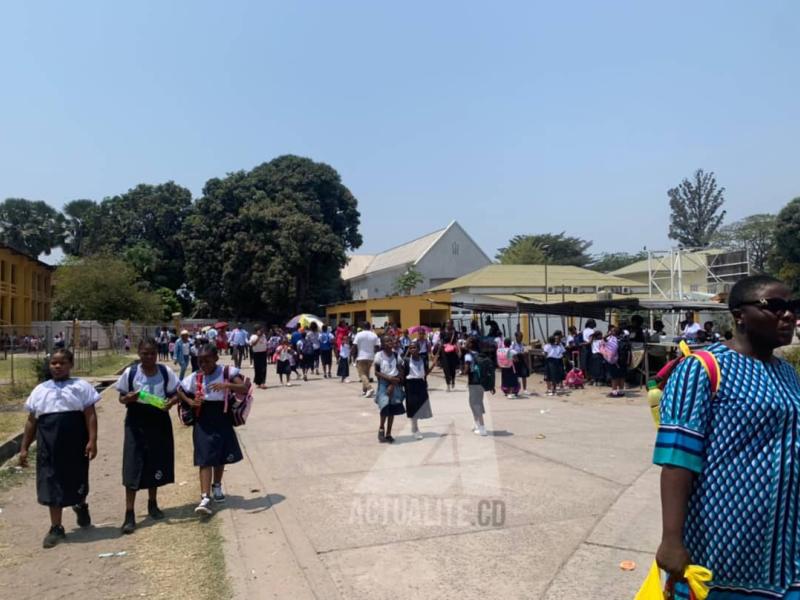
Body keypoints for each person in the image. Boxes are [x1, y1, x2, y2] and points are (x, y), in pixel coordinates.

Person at [655, 275, 800, 598]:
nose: (788, 315)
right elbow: (677, 459)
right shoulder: (702, 368)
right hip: (725, 545)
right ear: (739, 316)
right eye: (775, 307)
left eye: (792, 307)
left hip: (785, 545)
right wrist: (671, 539)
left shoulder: (787, 372)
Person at [19, 349, 100, 548]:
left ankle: (80, 504)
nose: (57, 366)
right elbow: (31, 422)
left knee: (76, 478)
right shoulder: (40, 390)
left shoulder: (81, 387)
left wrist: (92, 440)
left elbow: (90, 415)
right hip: (48, 446)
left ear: (70, 364)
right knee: (50, 482)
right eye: (53, 363)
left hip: (75, 443)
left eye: (62, 363)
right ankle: (56, 527)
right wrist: (24, 448)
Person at [115, 338, 180, 534]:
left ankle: (153, 503)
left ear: (157, 354)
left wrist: (171, 402)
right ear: (139, 354)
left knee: (155, 461)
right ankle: (129, 513)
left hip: (158, 419)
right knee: (132, 464)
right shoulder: (131, 373)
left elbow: (176, 393)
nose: (149, 357)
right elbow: (121, 397)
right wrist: (128, 398)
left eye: (152, 353)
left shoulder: (165, 372)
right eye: (145, 353)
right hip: (136, 420)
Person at [178, 344, 247, 516]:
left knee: (220, 454)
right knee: (204, 457)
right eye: (200, 362)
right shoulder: (195, 377)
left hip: (222, 416)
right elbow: (179, 390)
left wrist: (227, 385)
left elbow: (244, 388)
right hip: (203, 419)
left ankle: (217, 485)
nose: (203, 365)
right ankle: (205, 497)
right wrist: (191, 401)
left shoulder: (226, 372)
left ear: (216, 358)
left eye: (207, 361)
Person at [373, 336, 405, 443]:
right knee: (385, 407)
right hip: (383, 383)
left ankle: (389, 433)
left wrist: (394, 381)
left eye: (391, 340)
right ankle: (381, 427)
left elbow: (401, 371)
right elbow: (376, 372)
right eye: (387, 341)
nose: (390, 342)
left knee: (392, 409)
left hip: (395, 383)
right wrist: (389, 378)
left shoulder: (396, 355)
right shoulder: (379, 355)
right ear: (382, 344)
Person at [463, 338, 492, 436]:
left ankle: (482, 428)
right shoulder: (479, 354)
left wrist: (462, 371)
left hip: (473, 382)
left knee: (475, 404)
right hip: (481, 382)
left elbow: (466, 370)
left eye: (467, 342)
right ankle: (477, 424)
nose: (465, 343)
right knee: (476, 403)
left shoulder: (468, 355)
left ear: (471, 344)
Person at [404, 341, 433, 440]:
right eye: (410, 348)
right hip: (410, 384)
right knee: (413, 407)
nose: (412, 349)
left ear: (419, 349)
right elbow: (403, 374)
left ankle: (414, 425)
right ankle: (415, 428)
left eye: (414, 347)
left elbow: (425, 372)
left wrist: (433, 365)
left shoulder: (423, 359)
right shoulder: (406, 360)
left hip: (421, 383)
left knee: (420, 406)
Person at [353, 323, 380, 398]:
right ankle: (365, 391)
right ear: (370, 327)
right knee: (366, 374)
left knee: (361, 374)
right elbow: (377, 347)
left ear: (362, 327)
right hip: (371, 357)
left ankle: (369, 388)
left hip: (361, 356)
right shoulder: (374, 335)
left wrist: (353, 356)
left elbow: (354, 346)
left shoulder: (359, 334)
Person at [600, 326, 625, 397]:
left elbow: (603, 339)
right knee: (621, 375)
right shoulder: (623, 338)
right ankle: (621, 391)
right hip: (623, 360)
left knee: (614, 376)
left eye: (612, 331)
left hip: (614, 360)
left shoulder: (612, 339)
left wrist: (609, 334)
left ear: (614, 332)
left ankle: (614, 392)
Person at [440, 320, 461, 392]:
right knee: (446, 369)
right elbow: (441, 341)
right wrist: (442, 345)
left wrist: (459, 350)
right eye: (447, 323)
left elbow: (457, 341)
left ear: (452, 324)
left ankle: (453, 379)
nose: (448, 324)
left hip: (452, 352)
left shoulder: (455, 332)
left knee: (452, 368)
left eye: (449, 323)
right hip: (444, 352)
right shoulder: (442, 332)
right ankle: (448, 385)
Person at [511, 331, 529, 395]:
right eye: (520, 337)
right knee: (516, 376)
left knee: (524, 375)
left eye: (522, 337)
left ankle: (525, 390)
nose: (521, 338)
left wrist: (525, 352)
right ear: (516, 337)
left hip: (522, 360)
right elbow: (511, 352)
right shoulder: (513, 344)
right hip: (516, 360)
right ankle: (515, 389)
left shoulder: (522, 344)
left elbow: (525, 351)